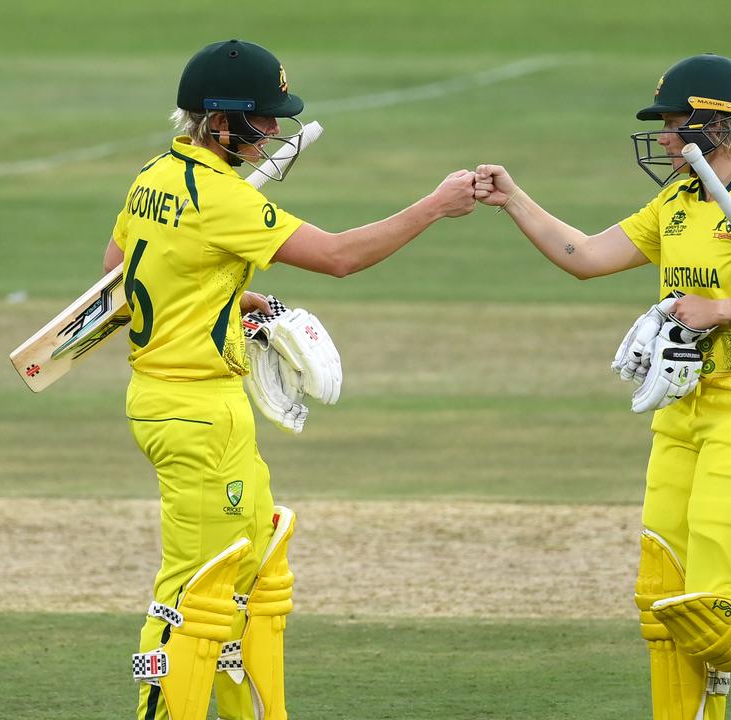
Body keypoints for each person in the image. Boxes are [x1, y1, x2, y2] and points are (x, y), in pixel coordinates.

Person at [473, 53, 731, 720]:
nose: (663, 138)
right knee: (664, 603)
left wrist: (720, 309)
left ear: (720, 126)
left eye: (673, 124)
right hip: (682, 414)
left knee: (715, 603)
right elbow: (588, 256)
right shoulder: (680, 199)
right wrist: (514, 199)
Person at [104, 38, 476, 720]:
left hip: (189, 402)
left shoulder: (151, 178)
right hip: (195, 412)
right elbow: (337, 257)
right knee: (194, 593)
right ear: (220, 122)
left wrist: (226, 298)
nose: (274, 131)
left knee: (255, 565)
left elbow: (121, 275)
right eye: (263, 119)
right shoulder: (222, 199)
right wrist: (434, 206)